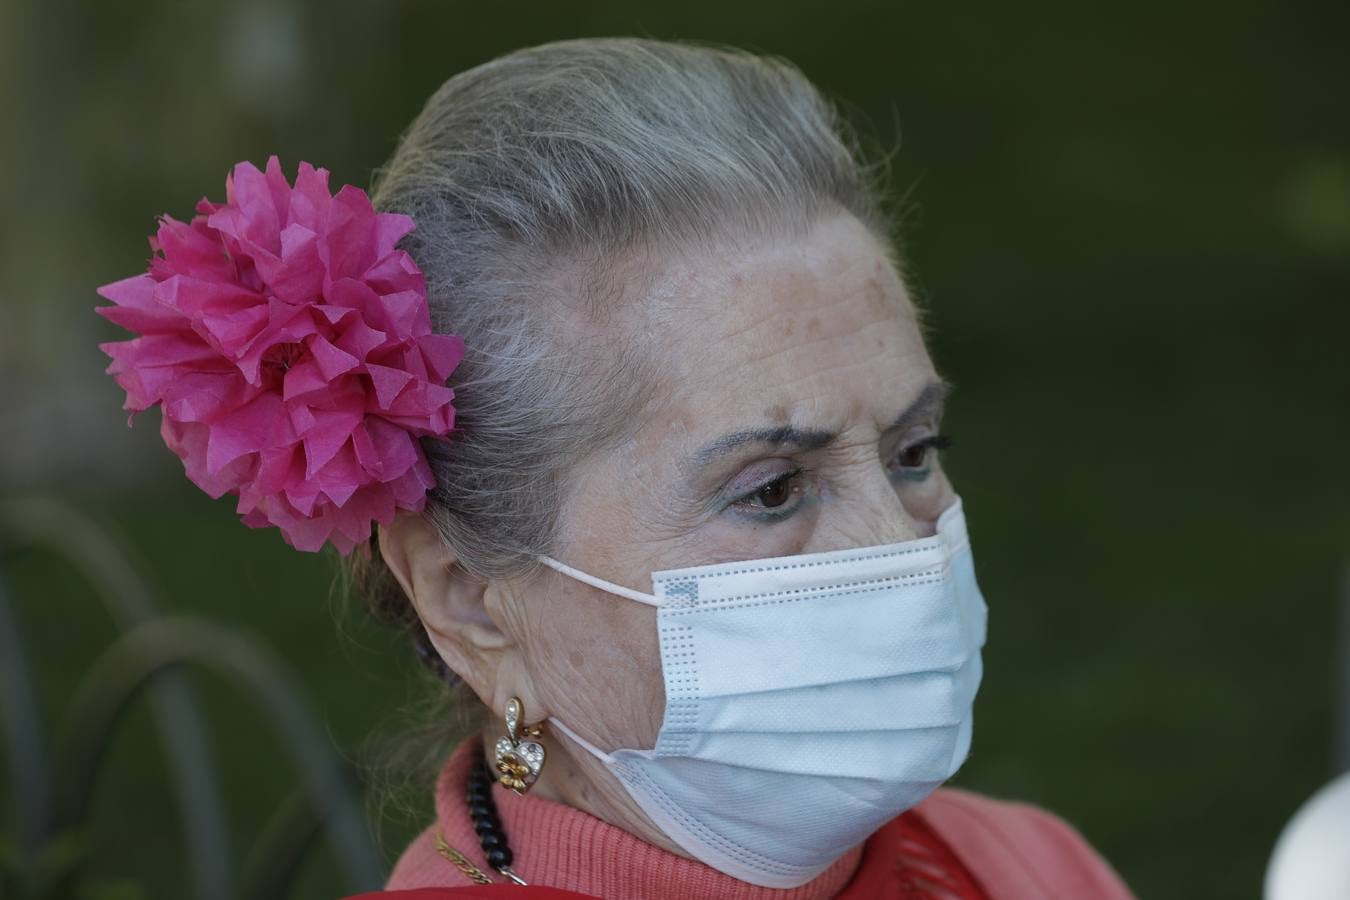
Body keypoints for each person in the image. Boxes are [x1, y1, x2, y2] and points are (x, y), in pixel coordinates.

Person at [96, 35, 1135, 900]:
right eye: (772, 488)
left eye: (913, 452)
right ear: (470, 601)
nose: (898, 544)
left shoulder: (1034, 868)